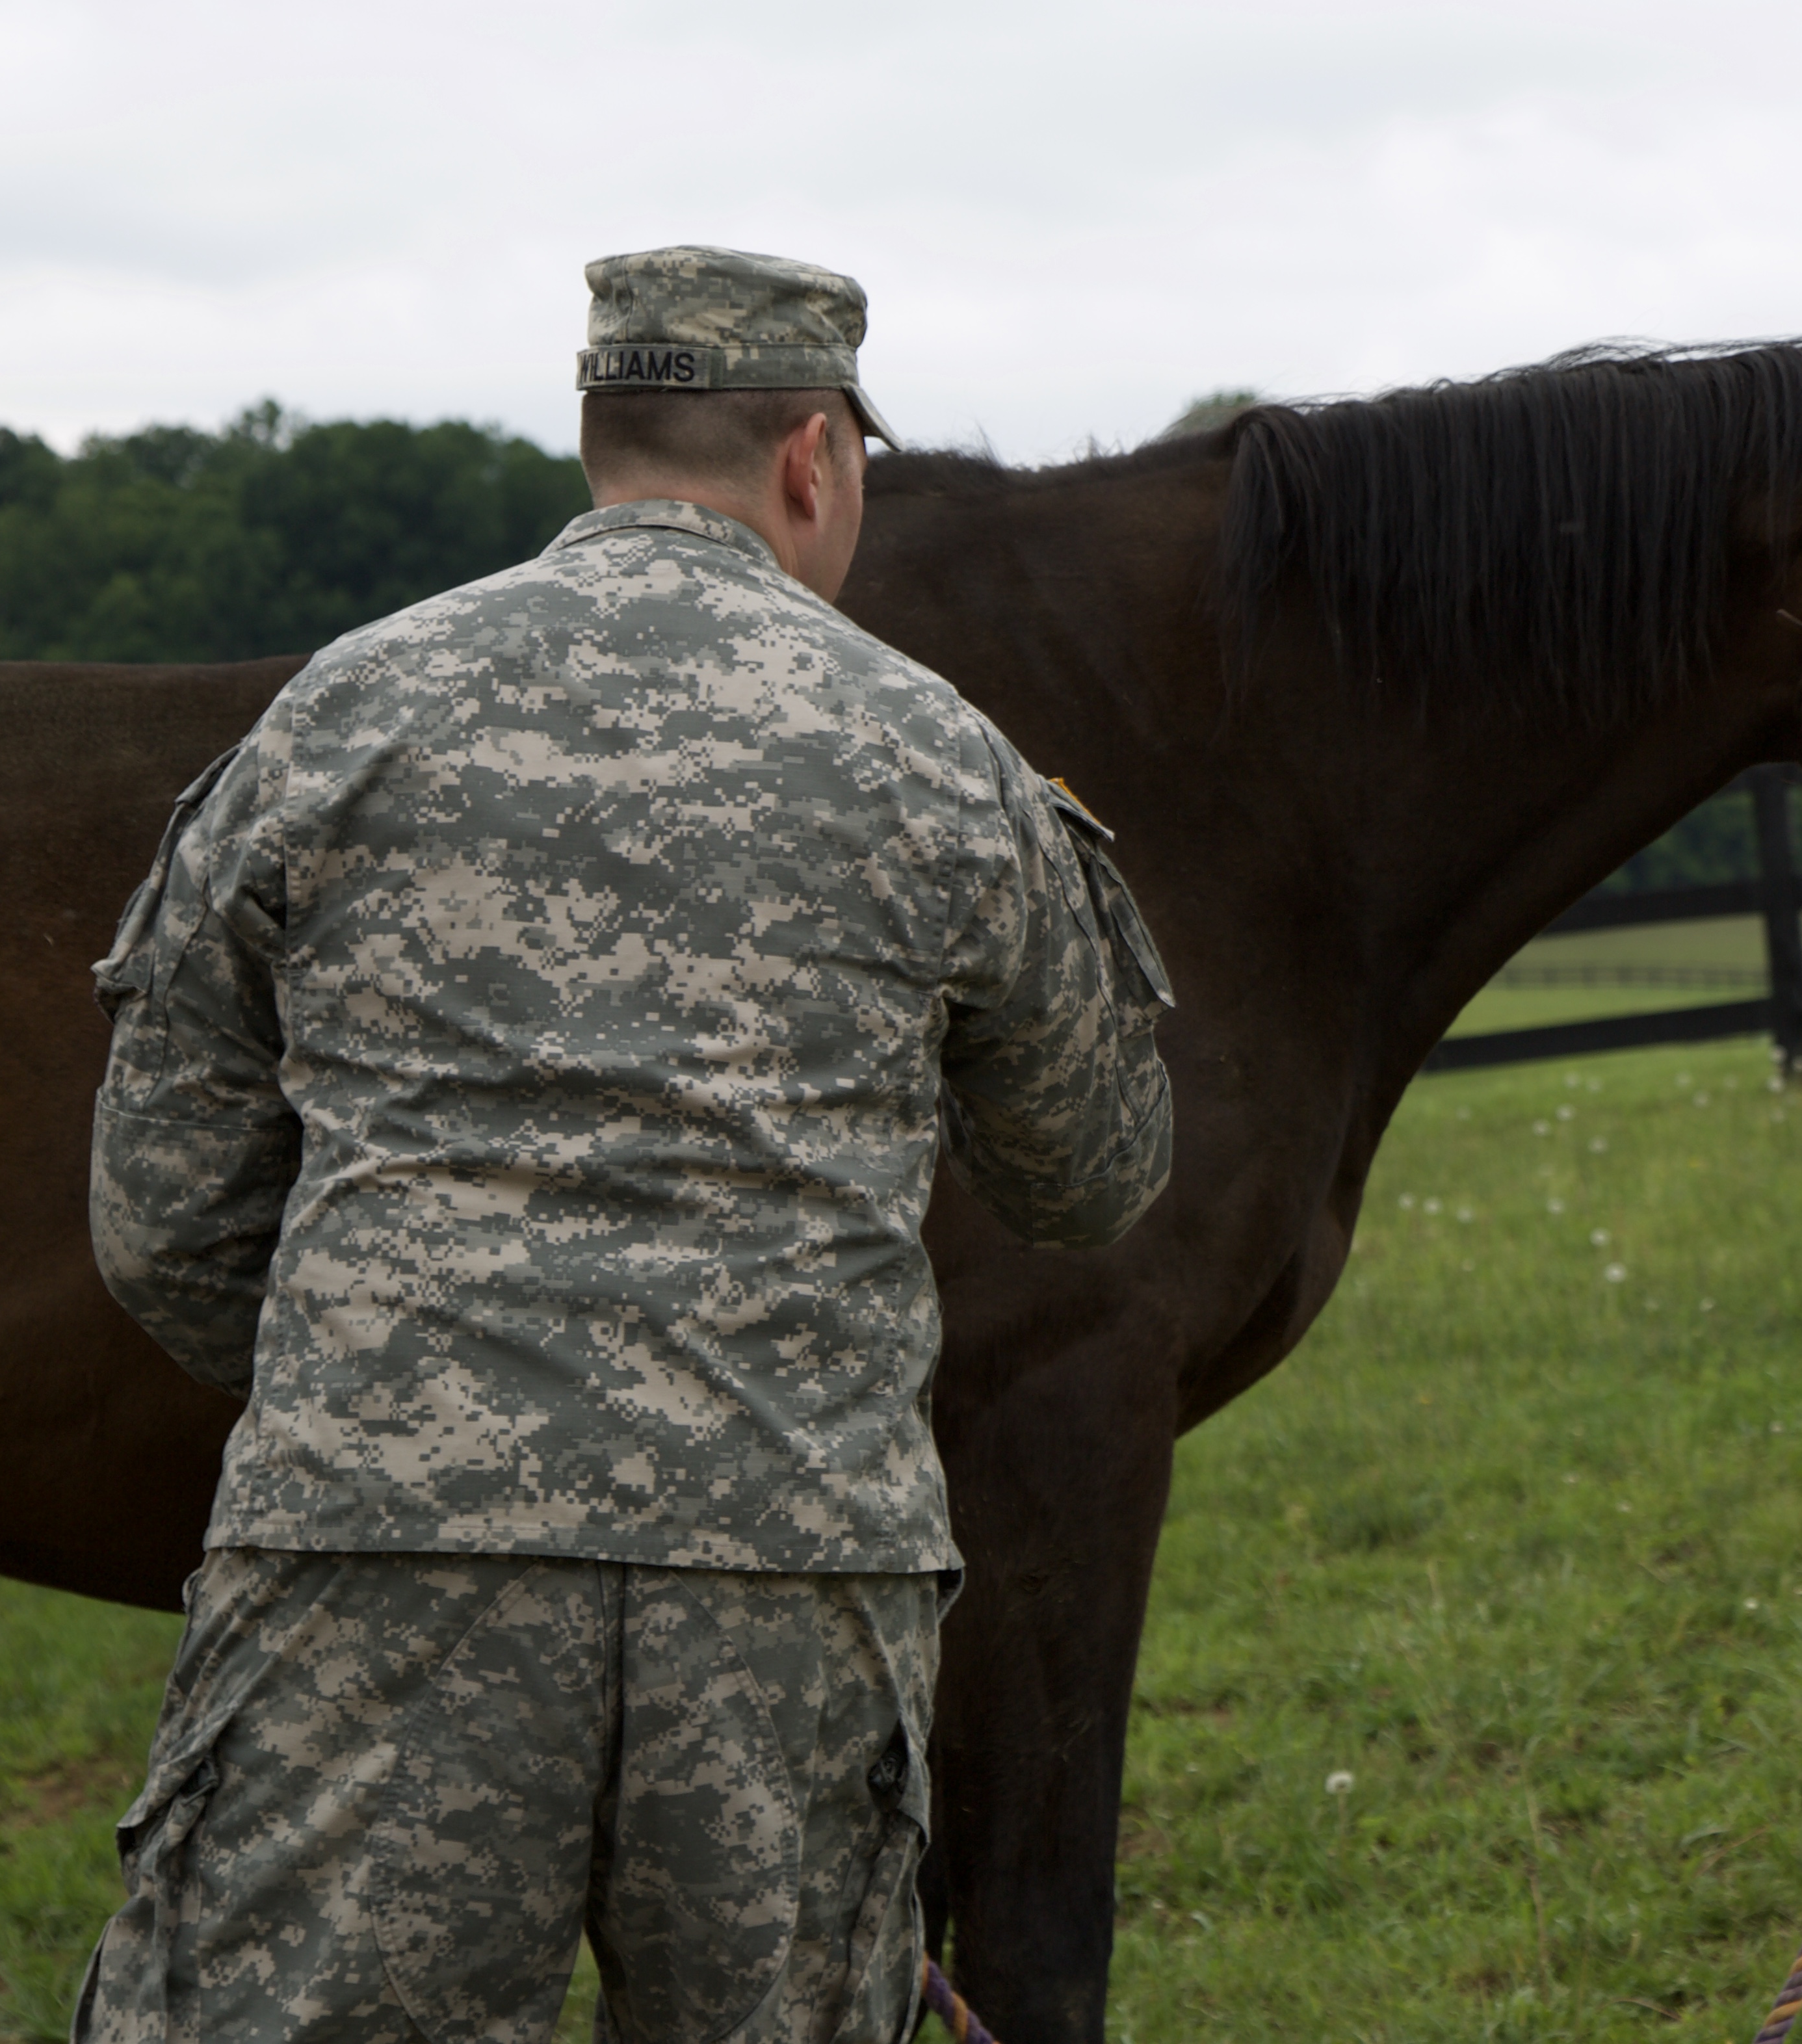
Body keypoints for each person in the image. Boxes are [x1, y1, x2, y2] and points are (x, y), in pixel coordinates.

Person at [75, 246, 1174, 2044]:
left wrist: (394, 1397)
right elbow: (1095, 1177)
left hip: (379, 1559)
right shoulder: (943, 756)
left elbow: (163, 1217)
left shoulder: (338, 715)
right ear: (813, 457)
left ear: (599, 432)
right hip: (791, 1573)